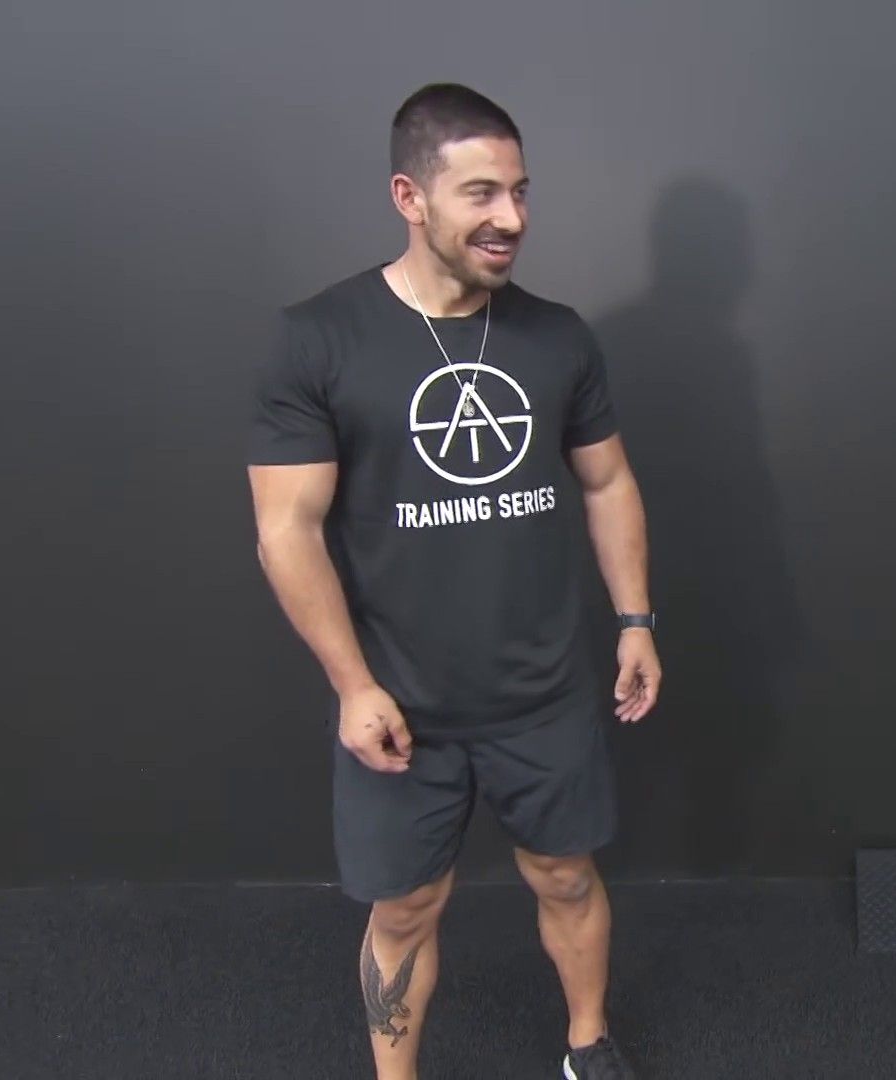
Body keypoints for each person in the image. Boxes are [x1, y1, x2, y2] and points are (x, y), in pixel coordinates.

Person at [246, 83, 657, 1080]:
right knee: (407, 907)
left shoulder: (557, 336)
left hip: (543, 691)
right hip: (400, 699)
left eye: (520, 192)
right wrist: (353, 687)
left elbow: (607, 482)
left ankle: (589, 1047)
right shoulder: (319, 339)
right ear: (409, 196)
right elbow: (286, 531)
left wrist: (636, 619)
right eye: (481, 194)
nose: (511, 217)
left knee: (567, 877)